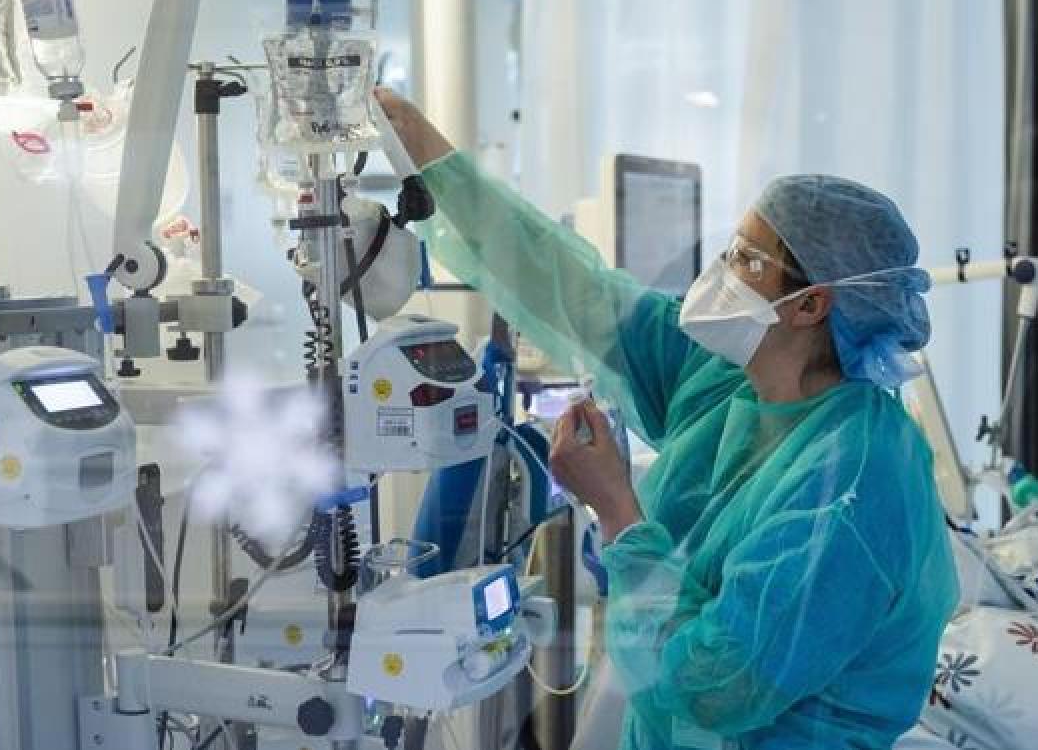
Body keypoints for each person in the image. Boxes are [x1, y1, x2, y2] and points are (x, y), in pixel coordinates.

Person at [376, 89, 959, 749]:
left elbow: (719, 683)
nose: (720, 272)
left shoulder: (852, 481)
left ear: (809, 305)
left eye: (747, 260)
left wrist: (618, 512)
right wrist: (428, 156)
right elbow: (574, 289)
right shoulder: (727, 381)